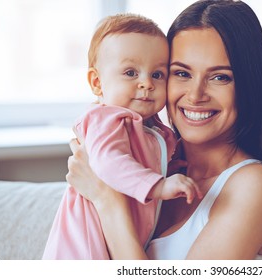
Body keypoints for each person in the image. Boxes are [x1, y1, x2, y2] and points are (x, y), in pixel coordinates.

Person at [66, 0, 262, 260]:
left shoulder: (253, 188)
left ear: (249, 85)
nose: (195, 95)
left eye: (220, 77)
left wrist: (108, 202)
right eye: (181, 73)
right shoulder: (147, 165)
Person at [43, 14, 201, 260]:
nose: (146, 83)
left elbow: (149, 162)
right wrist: (158, 185)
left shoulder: (153, 128)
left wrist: (176, 168)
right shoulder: (104, 119)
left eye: (157, 74)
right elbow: (108, 162)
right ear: (97, 83)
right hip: (82, 246)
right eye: (130, 72)